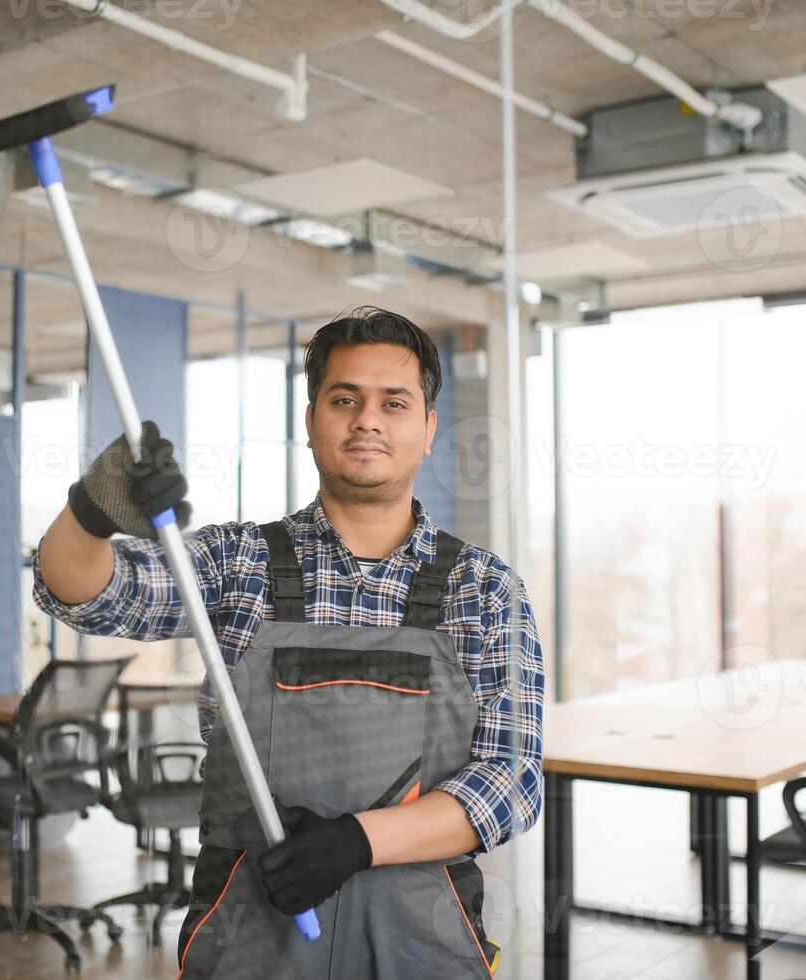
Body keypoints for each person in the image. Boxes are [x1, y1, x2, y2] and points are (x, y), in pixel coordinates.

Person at [31, 306, 544, 978]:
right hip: (250, 930)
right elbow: (86, 593)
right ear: (310, 423)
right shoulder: (236, 563)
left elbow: (513, 780)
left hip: (420, 934)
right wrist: (91, 510)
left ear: (426, 429)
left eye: (394, 403)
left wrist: (355, 842)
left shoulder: (483, 588)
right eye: (343, 399)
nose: (366, 419)